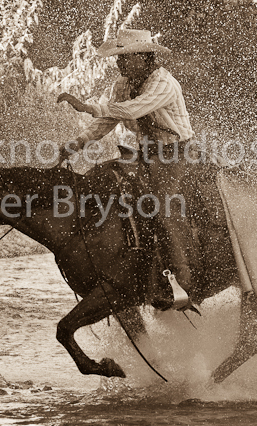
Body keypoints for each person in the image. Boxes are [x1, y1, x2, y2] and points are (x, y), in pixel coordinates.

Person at [56, 28, 201, 310]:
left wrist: (88, 107)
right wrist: (78, 143)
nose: (118, 62)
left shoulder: (163, 83)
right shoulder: (122, 84)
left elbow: (132, 110)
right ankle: (131, 269)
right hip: (147, 154)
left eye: (125, 57)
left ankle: (181, 278)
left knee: (159, 206)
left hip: (177, 153)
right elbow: (108, 121)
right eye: (118, 57)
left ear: (144, 57)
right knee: (113, 195)